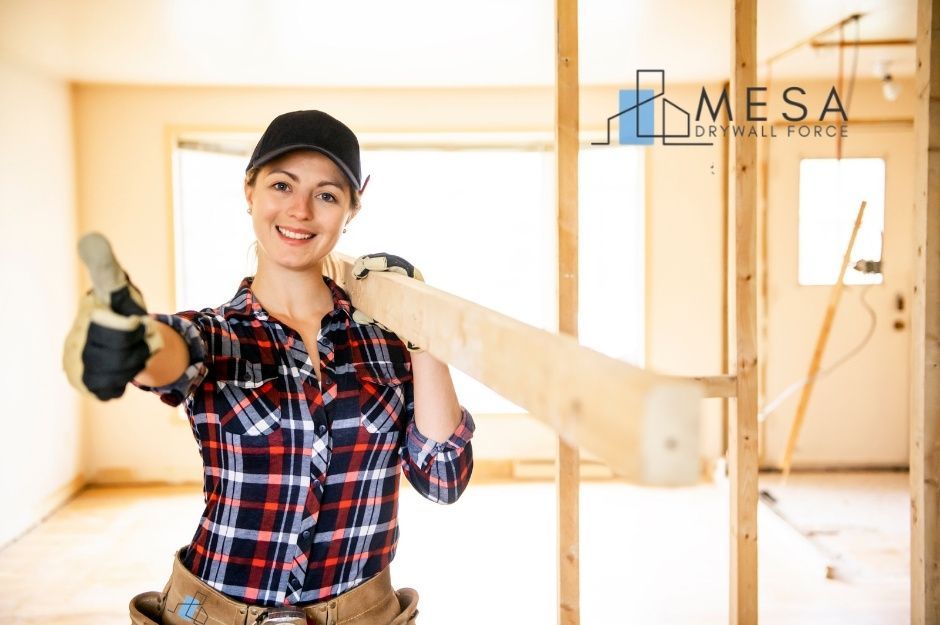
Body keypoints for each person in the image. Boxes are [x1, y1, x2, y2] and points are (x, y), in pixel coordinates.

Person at [67, 110, 475, 625]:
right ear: (250, 192)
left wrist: (424, 327)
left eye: (326, 194)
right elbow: (172, 352)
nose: (300, 210)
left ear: (353, 206)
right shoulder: (221, 334)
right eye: (282, 185)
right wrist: (137, 343)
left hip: (362, 614)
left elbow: (444, 480)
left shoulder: (387, 343)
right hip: (207, 611)